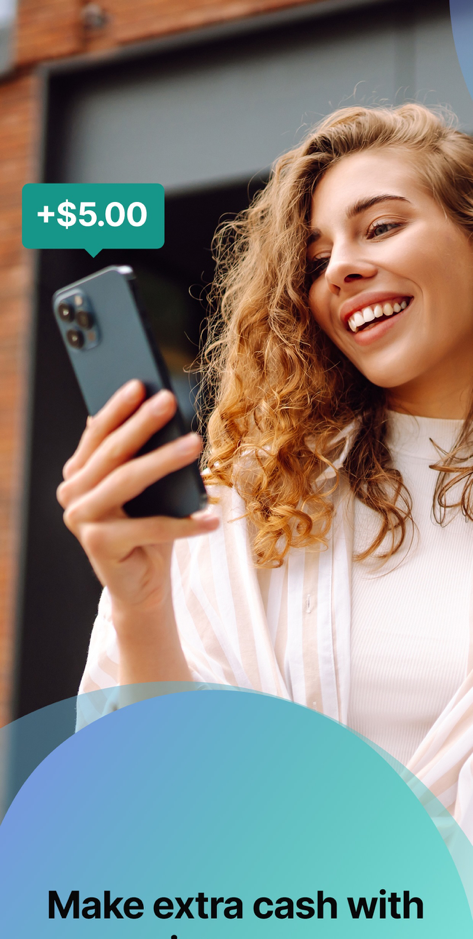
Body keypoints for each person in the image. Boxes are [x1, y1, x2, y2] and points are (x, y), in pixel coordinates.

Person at [57, 104, 473, 840]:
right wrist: (140, 606)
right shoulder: (249, 505)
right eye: (314, 262)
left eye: (380, 226)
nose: (341, 268)